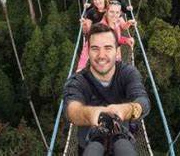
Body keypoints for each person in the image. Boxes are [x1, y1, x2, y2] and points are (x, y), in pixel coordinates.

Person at [64, 23, 150, 155]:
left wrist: (126, 110)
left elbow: (143, 101)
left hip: (121, 144)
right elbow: (72, 110)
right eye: (95, 48)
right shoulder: (78, 81)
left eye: (108, 48)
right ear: (88, 51)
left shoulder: (128, 73)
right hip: (88, 145)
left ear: (117, 50)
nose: (101, 55)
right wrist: (91, 114)